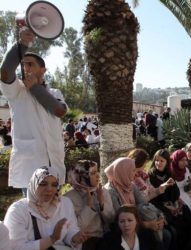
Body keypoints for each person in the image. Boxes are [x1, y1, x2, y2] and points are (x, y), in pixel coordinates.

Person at [0, 27, 67, 192]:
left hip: (54, 165)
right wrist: (22, 44)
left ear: (43, 71)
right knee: (33, 214)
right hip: (30, 168)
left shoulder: (54, 93)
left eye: (30, 64)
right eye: (23, 65)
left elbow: (59, 110)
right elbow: (5, 72)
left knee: (55, 210)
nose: (26, 68)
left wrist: (36, 89)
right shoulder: (16, 91)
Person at [4, 167, 87, 249]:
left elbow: (71, 229)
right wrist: (51, 239)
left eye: (54, 185)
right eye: (43, 184)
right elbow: (15, 247)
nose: (49, 189)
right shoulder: (18, 210)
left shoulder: (65, 203)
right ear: (33, 184)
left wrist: (74, 238)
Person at [64, 160, 114, 250]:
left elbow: (111, 220)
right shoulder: (68, 198)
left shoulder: (101, 191)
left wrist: (102, 204)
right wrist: (88, 206)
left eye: (97, 171)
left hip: (106, 239)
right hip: (85, 243)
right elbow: (75, 228)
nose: (98, 175)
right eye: (93, 173)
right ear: (82, 176)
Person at [98, 205, 164, 250]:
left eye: (130, 220)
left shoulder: (147, 235)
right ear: (118, 223)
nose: (126, 224)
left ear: (137, 221)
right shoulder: (109, 240)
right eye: (122, 221)